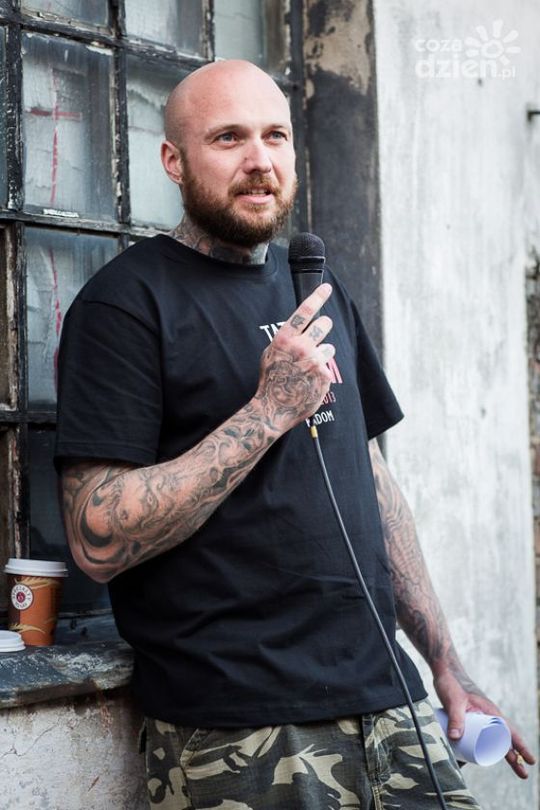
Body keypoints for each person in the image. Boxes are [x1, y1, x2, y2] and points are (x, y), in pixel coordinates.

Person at [55, 60, 534, 809]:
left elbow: (371, 483)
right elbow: (96, 537)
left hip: (389, 701)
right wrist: (268, 410)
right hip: (241, 724)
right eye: (229, 138)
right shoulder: (125, 305)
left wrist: (445, 661)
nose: (260, 160)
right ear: (173, 161)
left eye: (275, 136)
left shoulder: (316, 288)